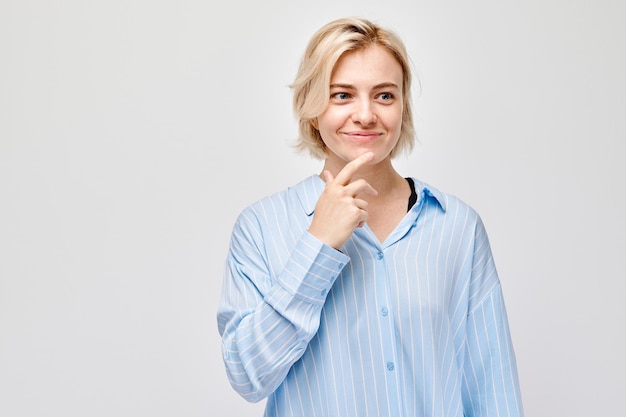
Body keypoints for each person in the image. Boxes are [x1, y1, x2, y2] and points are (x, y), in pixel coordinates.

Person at [217, 17, 524, 417]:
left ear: (402, 107)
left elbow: (493, 389)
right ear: (312, 109)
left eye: (384, 96)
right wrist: (317, 245)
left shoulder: (458, 228)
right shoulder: (260, 227)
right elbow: (247, 376)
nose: (365, 115)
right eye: (342, 95)